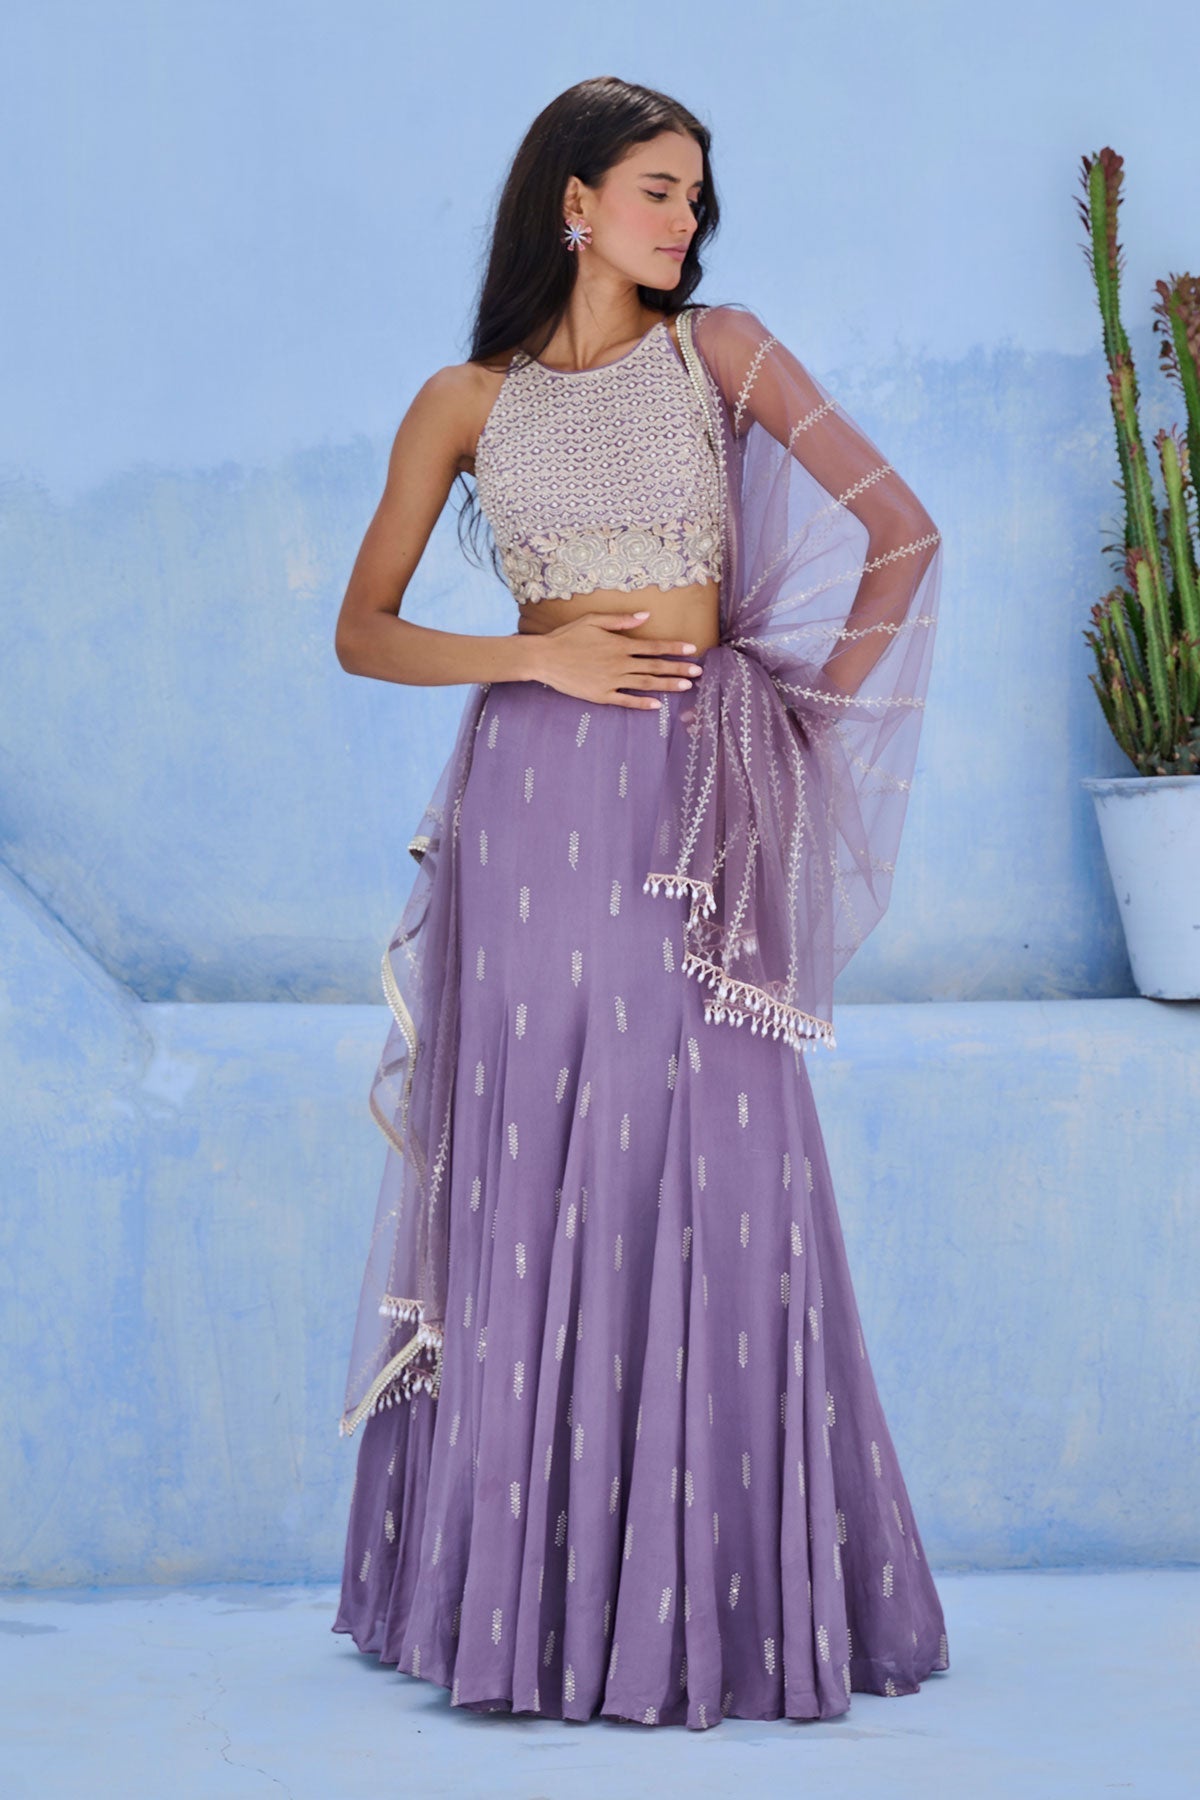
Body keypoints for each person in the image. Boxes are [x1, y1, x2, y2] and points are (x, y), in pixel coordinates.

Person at [329, 74, 949, 1731]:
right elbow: (364, 629)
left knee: (720, 1149)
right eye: (658, 189)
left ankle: (725, 1601)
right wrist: (533, 655)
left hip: (694, 794)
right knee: (533, 1140)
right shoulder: (465, 400)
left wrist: (798, 722)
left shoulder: (719, 353)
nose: (686, 219)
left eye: (696, 193)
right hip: (529, 803)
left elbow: (900, 536)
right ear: (574, 204)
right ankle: (514, 1611)